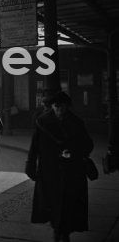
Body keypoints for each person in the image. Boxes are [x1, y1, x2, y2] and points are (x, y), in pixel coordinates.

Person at [26, 91, 93, 242]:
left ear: (67, 107)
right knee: (52, 201)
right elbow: (34, 146)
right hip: (50, 170)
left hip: (72, 170)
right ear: (52, 107)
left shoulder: (77, 123)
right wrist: (30, 165)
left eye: (63, 107)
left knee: (68, 203)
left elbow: (88, 145)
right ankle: (58, 229)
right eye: (57, 107)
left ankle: (64, 231)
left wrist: (74, 152)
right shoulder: (42, 122)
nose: (60, 110)